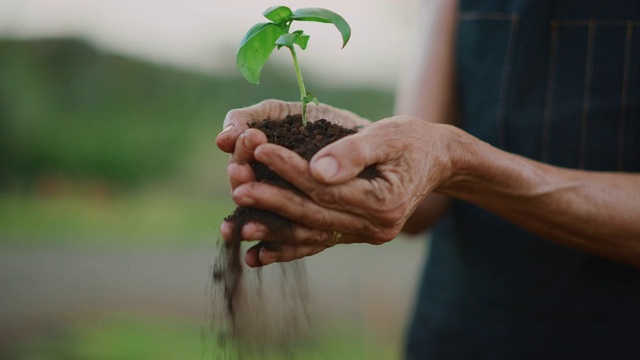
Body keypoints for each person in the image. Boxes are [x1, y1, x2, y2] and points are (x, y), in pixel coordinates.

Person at [216, 0, 640, 358]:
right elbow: (425, 203)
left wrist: (459, 161)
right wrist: (372, 164)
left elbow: (445, 160)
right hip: (459, 329)